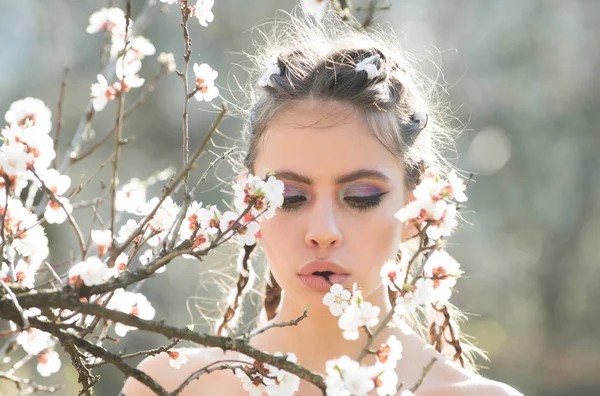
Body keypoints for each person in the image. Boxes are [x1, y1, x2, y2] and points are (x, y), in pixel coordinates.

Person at [121, 9, 523, 396]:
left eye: (361, 197)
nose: (323, 232)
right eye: (291, 197)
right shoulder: (170, 385)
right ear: (248, 206)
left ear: (419, 210)